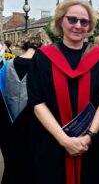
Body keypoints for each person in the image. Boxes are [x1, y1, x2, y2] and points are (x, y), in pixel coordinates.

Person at [26, 0, 99, 184]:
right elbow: (37, 103)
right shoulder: (42, 58)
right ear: (60, 22)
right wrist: (64, 140)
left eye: (84, 21)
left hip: (92, 145)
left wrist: (89, 136)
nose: (78, 25)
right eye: (72, 19)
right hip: (52, 142)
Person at [0, 30, 51, 184]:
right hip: (36, 127)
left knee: (11, 168)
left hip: (8, 127)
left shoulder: (6, 66)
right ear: (44, 45)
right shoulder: (45, 67)